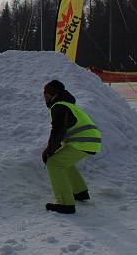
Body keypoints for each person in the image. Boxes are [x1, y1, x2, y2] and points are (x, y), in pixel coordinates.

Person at [42, 79, 102, 214]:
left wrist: (49, 151)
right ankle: (79, 192)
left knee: (54, 163)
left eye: (46, 93)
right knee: (63, 161)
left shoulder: (59, 106)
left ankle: (65, 204)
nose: (44, 97)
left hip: (83, 141)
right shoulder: (68, 105)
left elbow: (57, 130)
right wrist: (53, 148)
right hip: (90, 141)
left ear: (52, 93)